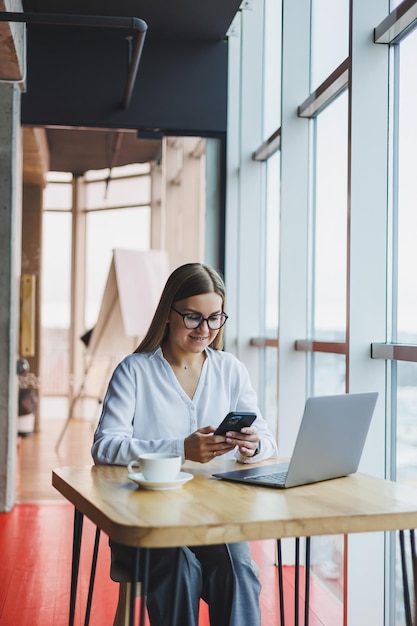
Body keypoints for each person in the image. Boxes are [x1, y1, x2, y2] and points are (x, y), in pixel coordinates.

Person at [91, 262, 278, 626]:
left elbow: (267, 441)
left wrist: (252, 445)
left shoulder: (230, 369)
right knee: (180, 568)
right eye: (193, 317)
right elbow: (105, 447)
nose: (204, 329)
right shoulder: (135, 370)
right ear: (168, 314)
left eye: (214, 318)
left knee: (239, 571)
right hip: (148, 517)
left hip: (214, 518)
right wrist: (180, 450)